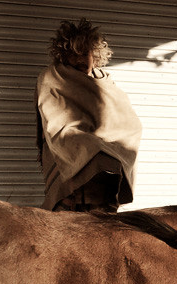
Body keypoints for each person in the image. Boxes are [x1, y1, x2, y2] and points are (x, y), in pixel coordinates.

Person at [35, 18, 142, 212]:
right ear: (63, 56)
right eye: (72, 54)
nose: (80, 59)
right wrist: (90, 142)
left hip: (107, 164)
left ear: (96, 54)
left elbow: (126, 120)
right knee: (69, 221)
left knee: (102, 218)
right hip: (72, 148)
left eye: (85, 53)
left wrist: (108, 141)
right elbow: (57, 120)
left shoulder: (105, 82)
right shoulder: (54, 77)